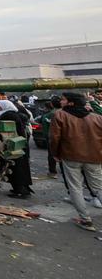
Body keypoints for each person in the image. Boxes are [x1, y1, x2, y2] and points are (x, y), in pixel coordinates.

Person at [50, 92, 102, 230]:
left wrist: (55, 154)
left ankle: (85, 219)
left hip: (71, 156)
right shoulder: (97, 118)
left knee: (75, 188)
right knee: (98, 188)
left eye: (63, 100)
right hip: (94, 157)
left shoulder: (60, 115)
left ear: (70, 103)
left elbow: (55, 138)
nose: (61, 102)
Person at [0, 100, 33, 199]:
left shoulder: (9, 115)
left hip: (15, 145)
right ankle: (21, 189)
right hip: (18, 144)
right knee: (20, 168)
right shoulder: (11, 114)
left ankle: (21, 190)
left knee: (18, 169)